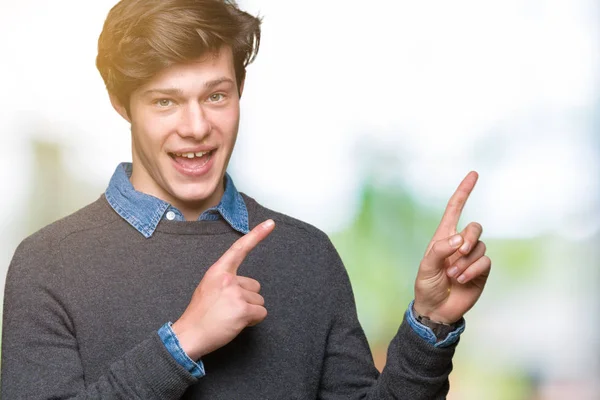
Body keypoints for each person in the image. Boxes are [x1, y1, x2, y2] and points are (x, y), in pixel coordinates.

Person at [1, 0, 491, 398]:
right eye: (165, 101)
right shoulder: (48, 265)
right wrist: (182, 342)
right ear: (121, 104)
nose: (196, 128)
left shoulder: (306, 256)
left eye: (216, 96)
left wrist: (432, 322)